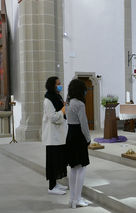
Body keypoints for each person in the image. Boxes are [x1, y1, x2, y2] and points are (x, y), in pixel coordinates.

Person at [66, 79, 91, 208]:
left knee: (73, 169)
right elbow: (84, 124)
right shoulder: (80, 104)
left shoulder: (68, 102)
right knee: (81, 168)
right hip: (78, 136)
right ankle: (78, 199)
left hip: (70, 134)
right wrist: (88, 139)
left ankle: (72, 199)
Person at [42, 76, 68, 195]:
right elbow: (52, 117)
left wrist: (64, 107)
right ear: (52, 85)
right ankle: (51, 187)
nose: (60, 85)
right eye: (58, 83)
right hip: (52, 136)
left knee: (59, 161)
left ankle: (56, 183)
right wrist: (62, 110)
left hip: (60, 135)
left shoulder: (57, 96)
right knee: (53, 162)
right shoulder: (48, 99)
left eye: (60, 83)